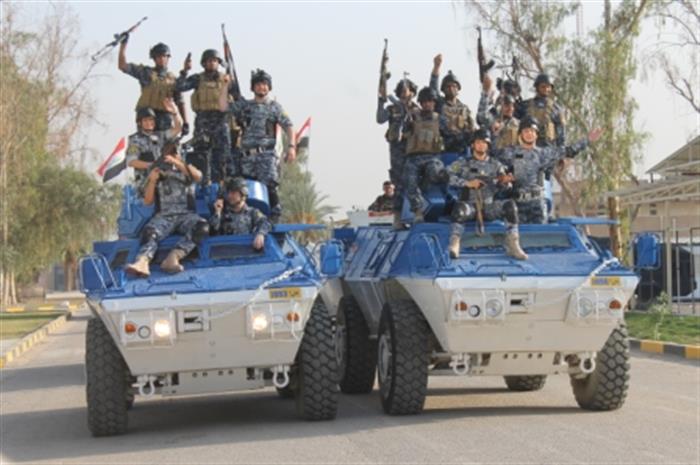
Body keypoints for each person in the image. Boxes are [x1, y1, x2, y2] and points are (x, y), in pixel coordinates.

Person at [493, 116, 603, 224]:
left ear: (536, 135)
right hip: (518, 205)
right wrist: (496, 135)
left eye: (532, 131)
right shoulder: (511, 153)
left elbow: (569, 150)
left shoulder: (544, 153)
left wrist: (587, 140)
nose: (529, 134)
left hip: (537, 205)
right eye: (526, 131)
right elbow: (492, 157)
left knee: (540, 237)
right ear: (520, 134)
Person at [125, 143, 209, 277]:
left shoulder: (187, 170)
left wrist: (178, 162)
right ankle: (142, 261)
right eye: (168, 154)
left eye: (174, 153)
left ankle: (173, 257)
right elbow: (148, 201)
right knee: (149, 232)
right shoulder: (159, 173)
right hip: (164, 217)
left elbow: (198, 177)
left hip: (186, 216)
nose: (171, 157)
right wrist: (152, 180)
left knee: (202, 227)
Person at [228, 69, 296, 222]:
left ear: (269, 87)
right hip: (247, 155)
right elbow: (223, 107)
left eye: (265, 85)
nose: (262, 88)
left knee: (269, 186)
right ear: (253, 87)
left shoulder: (274, 107)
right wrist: (226, 84)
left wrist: (291, 147)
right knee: (247, 189)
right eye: (258, 84)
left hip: (266, 154)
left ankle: (274, 218)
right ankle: (249, 220)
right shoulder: (245, 106)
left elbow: (289, 127)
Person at [447, 129, 526, 260]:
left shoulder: (495, 164)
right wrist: (467, 183)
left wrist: (505, 182)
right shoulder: (462, 163)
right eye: (478, 142)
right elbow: (447, 175)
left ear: (488, 145)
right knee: (459, 210)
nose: (481, 145)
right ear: (473, 144)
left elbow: (505, 186)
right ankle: (455, 243)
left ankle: (513, 244)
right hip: (469, 206)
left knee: (510, 206)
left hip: (489, 206)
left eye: (484, 143)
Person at [175, 49, 232, 183]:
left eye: (214, 61)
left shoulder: (226, 79)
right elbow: (179, 87)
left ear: (218, 63)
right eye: (208, 61)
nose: (211, 63)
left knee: (223, 156)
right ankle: (202, 184)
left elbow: (236, 100)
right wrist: (184, 70)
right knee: (201, 155)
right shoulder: (197, 79)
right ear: (204, 63)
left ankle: (221, 186)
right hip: (203, 121)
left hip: (221, 121)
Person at [118, 39, 187, 133]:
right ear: (154, 58)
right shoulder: (146, 73)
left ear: (168, 58)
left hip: (165, 118)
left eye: (164, 56)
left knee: (167, 144)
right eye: (159, 56)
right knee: (144, 144)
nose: (162, 59)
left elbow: (180, 101)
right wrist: (123, 46)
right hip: (147, 117)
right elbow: (122, 66)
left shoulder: (173, 80)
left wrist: (185, 122)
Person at [376, 78, 419, 227]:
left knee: (415, 183)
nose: (404, 94)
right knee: (398, 183)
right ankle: (398, 217)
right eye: (400, 92)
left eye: (406, 91)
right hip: (397, 151)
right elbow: (380, 119)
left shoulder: (417, 110)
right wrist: (380, 101)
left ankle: (416, 215)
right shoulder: (393, 108)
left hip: (414, 150)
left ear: (413, 93)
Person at [402, 87, 449, 223]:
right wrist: (407, 120)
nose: (428, 104)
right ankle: (417, 210)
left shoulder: (439, 119)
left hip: (433, 156)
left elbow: (450, 135)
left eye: (430, 101)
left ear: (434, 103)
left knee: (435, 172)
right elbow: (403, 132)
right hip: (414, 157)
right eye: (424, 102)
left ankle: (429, 185)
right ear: (421, 103)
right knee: (410, 179)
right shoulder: (412, 117)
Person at [126, 99, 182, 194]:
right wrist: (151, 165)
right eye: (145, 120)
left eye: (151, 119)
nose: (149, 123)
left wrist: (175, 113)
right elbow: (131, 162)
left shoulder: (161, 136)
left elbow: (178, 128)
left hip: (164, 180)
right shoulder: (135, 139)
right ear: (140, 123)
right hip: (145, 182)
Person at [209, 177, 271, 250]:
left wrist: (260, 234)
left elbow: (265, 222)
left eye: (233, 193)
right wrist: (217, 213)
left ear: (243, 194)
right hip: (225, 252)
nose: (229, 196)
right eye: (229, 192)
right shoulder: (222, 213)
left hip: (246, 251)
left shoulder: (252, 212)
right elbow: (212, 231)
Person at [429, 54, 475, 152]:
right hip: (443, 145)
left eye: (454, 86)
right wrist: (436, 66)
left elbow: (472, 129)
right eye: (448, 86)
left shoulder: (464, 109)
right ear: (443, 89)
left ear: (458, 89)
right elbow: (433, 88)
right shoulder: (440, 104)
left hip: (461, 146)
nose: (451, 89)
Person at [516, 73, 565, 147]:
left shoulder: (556, 109)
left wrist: (561, 150)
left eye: (548, 87)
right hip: (528, 147)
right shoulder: (525, 105)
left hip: (548, 148)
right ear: (537, 87)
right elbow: (512, 120)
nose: (546, 89)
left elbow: (560, 133)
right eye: (543, 86)